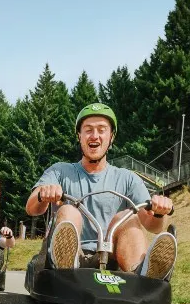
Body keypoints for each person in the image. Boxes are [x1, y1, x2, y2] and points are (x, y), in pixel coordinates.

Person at [25, 103, 177, 279]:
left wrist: (158, 213)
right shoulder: (59, 171)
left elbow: (154, 227)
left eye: (101, 129)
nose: (94, 135)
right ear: (79, 136)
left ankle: (142, 274)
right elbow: (31, 208)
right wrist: (43, 195)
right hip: (72, 257)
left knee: (128, 218)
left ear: (111, 137)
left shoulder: (128, 178)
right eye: (88, 129)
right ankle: (65, 265)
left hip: (113, 257)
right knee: (68, 210)